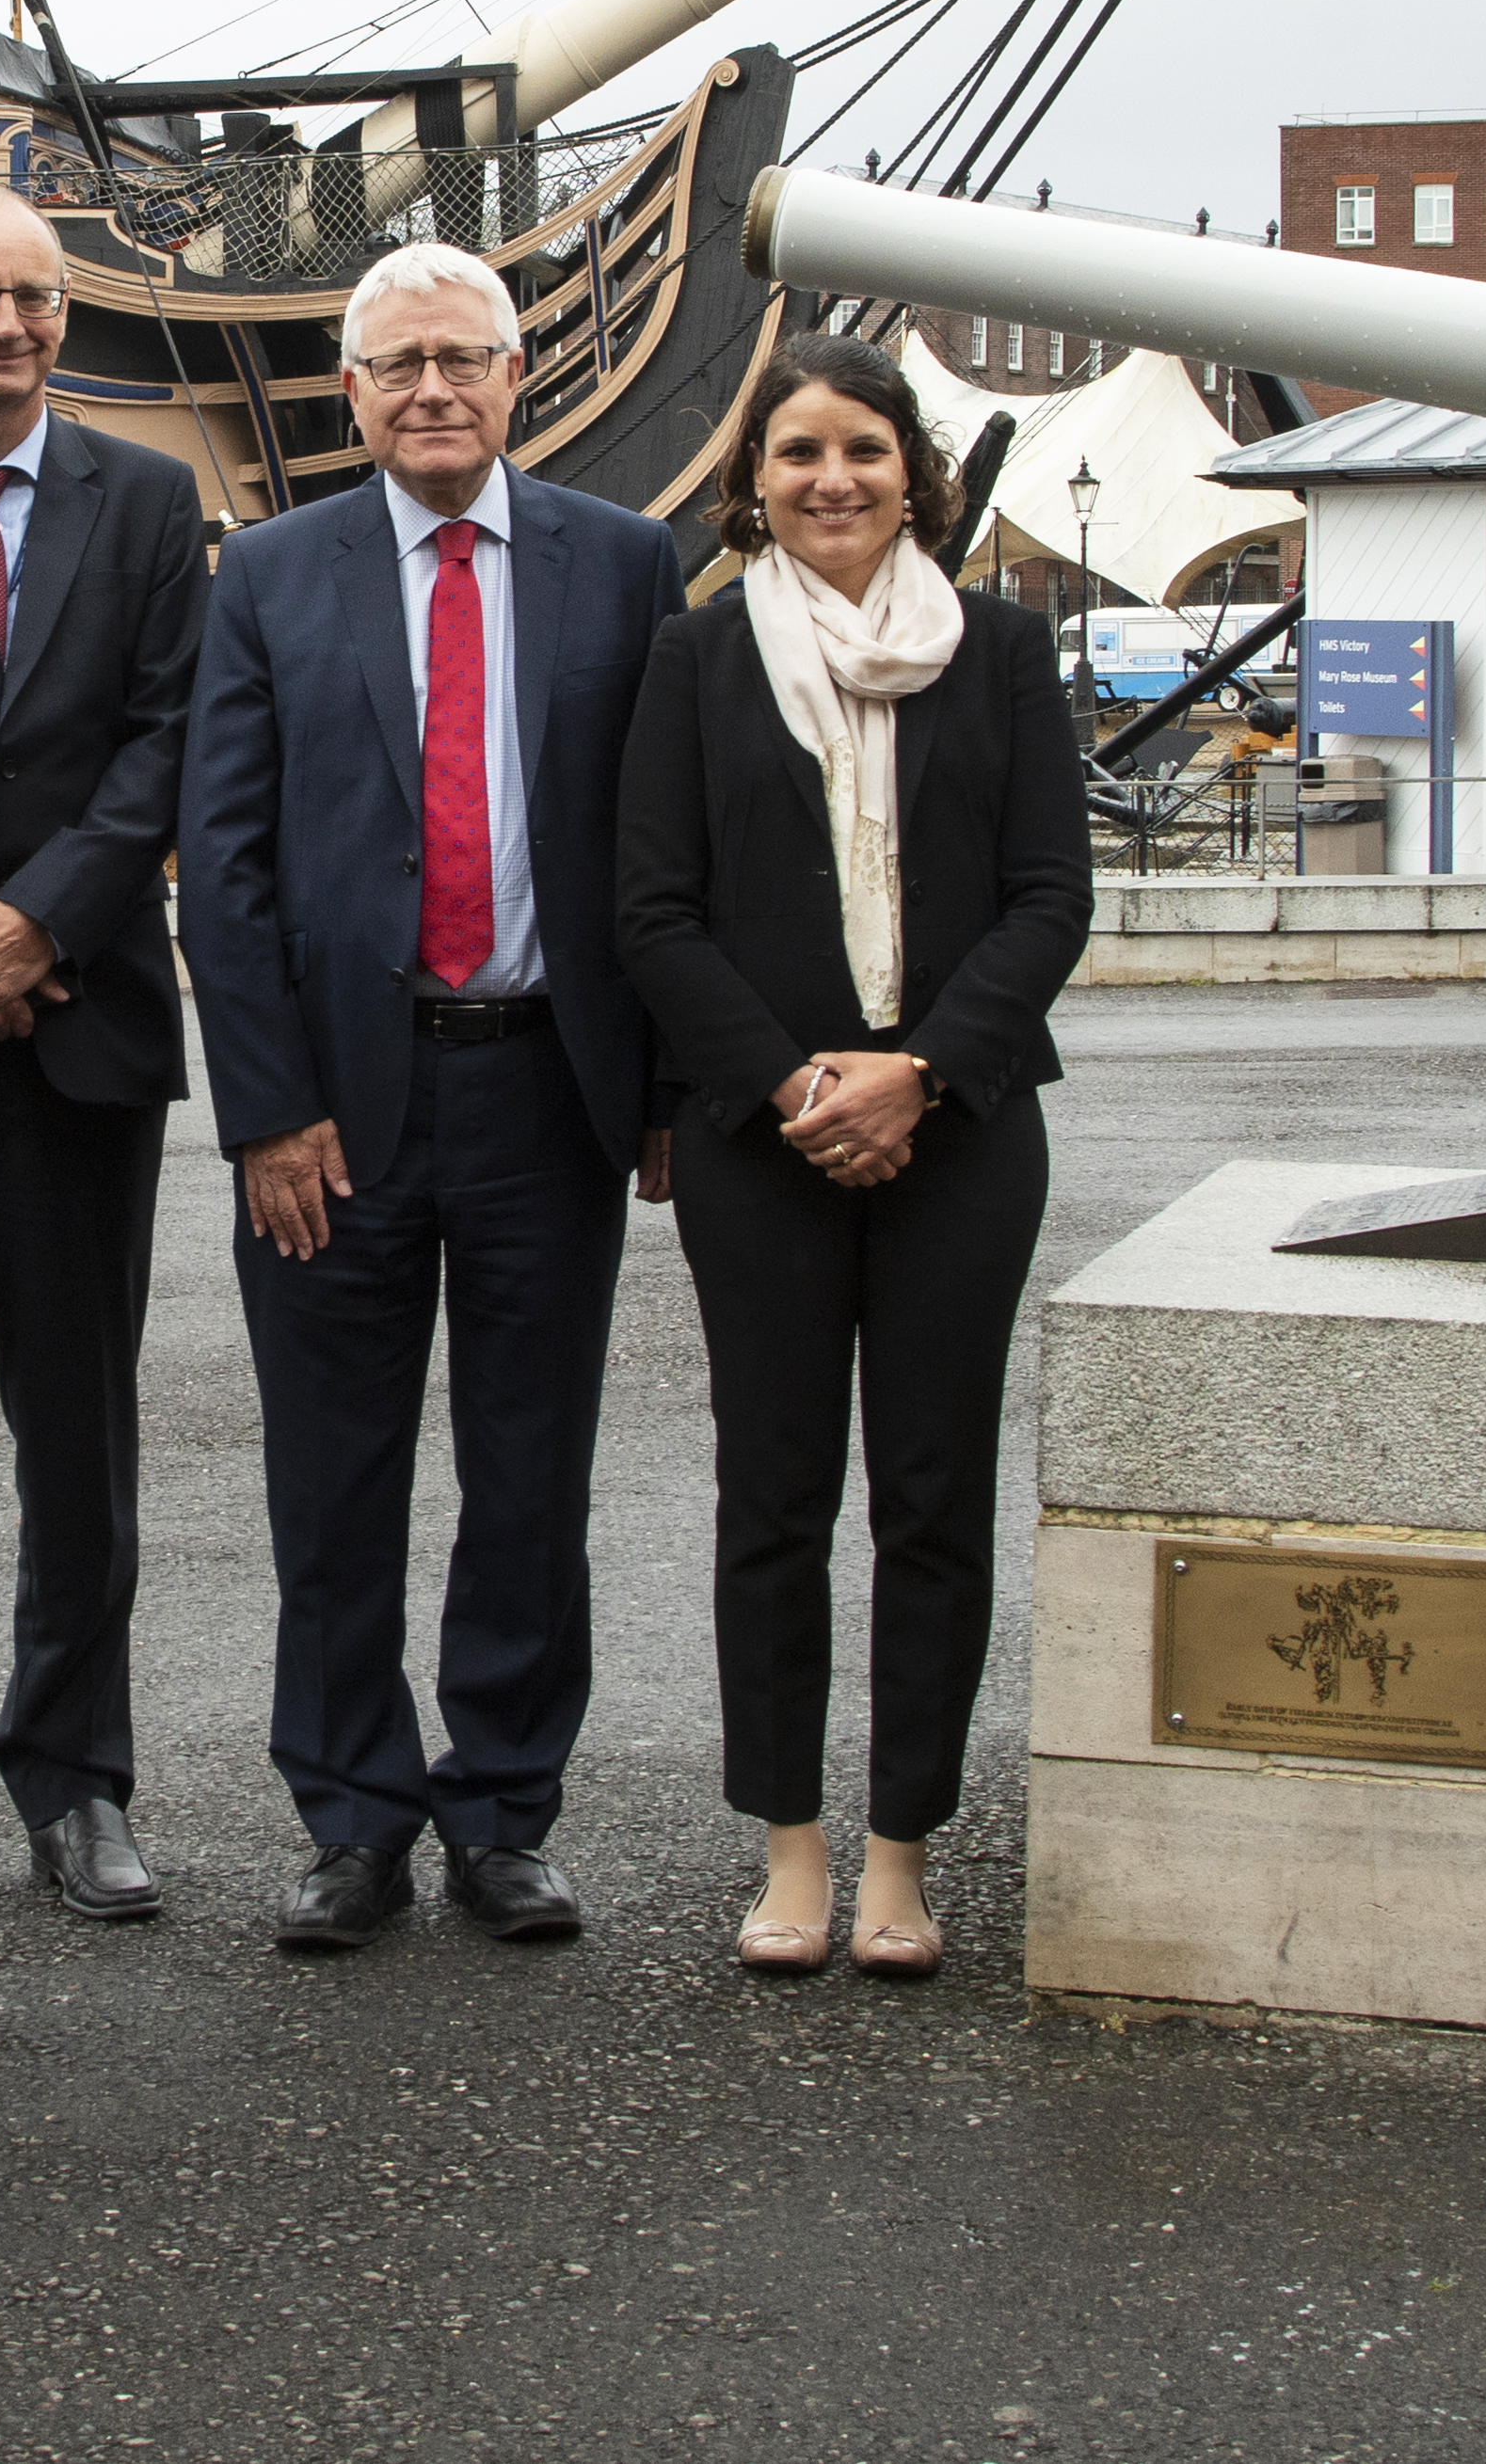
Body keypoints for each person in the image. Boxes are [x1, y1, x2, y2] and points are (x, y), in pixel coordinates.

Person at [177, 238, 686, 1952]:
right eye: (395, 364)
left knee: (528, 1474)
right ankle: (351, 1813)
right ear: (351, 390)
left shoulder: (623, 569)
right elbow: (222, 865)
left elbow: (658, 853)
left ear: (513, 376)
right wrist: (264, 1109)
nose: (430, 389)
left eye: (461, 357)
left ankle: (503, 1807)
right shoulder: (267, 572)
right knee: (333, 1482)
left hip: (548, 1088)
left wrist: (665, 1088)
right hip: (332, 1109)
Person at [612, 336, 1087, 1979]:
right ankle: (789, 1851)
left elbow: (1048, 897)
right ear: (753, 478)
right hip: (765, 1137)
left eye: (865, 452)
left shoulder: (1006, 654)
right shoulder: (695, 660)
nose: (832, 480)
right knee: (774, 1497)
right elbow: (653, 907)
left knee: (934, 1498)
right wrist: (798, 1081)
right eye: (798, 451)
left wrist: (923, 1073)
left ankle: (900, 1853)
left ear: (915, 474)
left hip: (960, 1134)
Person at [0, 183, 207, 1923]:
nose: (4, 328)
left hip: (81, 1028)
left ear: (64, 313)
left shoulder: (149, 501)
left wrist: (39, 923)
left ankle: (77, 1776)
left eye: (31, 300)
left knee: (78, 1436)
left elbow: (171, 737)